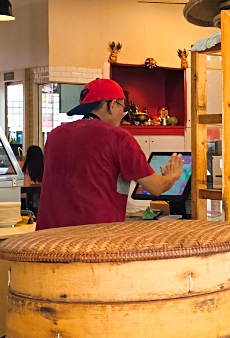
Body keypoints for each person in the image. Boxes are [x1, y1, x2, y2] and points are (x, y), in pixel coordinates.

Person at [37, 79, 183, 230]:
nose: (123, 115)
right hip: (94, 239)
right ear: (112, 105)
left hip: (49, 238)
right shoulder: (118, 137)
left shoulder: (55, 135)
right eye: (123, 108)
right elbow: (156, 187)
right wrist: (173, 175)